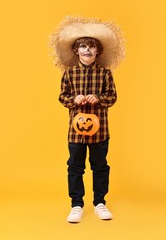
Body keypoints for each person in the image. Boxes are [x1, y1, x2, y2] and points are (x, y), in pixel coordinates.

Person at [50, 16, 125, 223]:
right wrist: (74, 99)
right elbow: (62, 97)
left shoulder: (105, 74)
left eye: (91, 47)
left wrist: (98, 98)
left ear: (97, 51)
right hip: (75, 131)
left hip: (100, 130)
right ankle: (76, 205)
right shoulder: (69, 74)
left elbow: (112, 97)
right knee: (75, 167)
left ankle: (100, 202)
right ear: (76, 50)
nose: (87, 51)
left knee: (100, 166)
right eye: (83, 46)